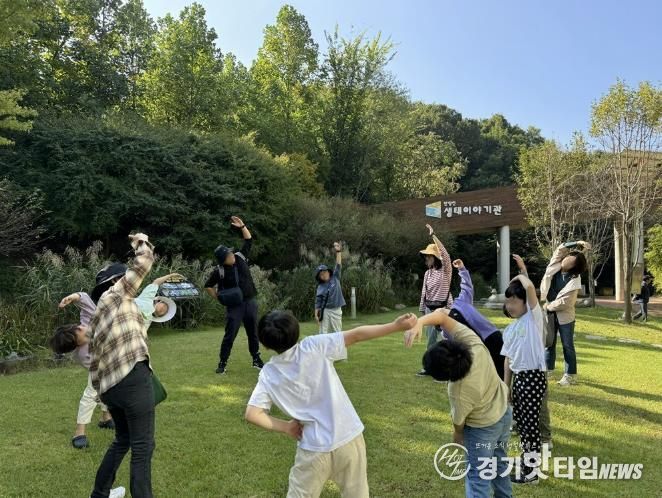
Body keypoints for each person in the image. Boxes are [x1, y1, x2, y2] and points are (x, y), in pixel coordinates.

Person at [245, 310, 418, 498]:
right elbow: (357, 335)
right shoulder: (313, 346)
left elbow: (253, 414)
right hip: (349, 437)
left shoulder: (269, 374)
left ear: (264, 344)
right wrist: (395, 326)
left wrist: (287, 427)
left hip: (313, 449)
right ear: (296, 330)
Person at [406, 309, 512, 498]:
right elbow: (442, 317)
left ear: (443, 376)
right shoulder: (473, 344)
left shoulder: (458, 390)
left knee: (478, 476)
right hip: (504, 412)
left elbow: (459, 421)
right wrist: (419, 322)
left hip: (482, 428)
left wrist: (457, 434)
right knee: (499, 463)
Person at [88, 233, 157, 498]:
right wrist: (140, 241)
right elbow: (143, 262)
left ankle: (100, 494)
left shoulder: (98, 317)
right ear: (115, 281)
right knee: (142, 446)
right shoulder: (115, 295)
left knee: (123, 440)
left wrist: (103, 395)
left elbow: (93, 363)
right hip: (132, 379)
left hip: (110, 389)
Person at [502, 273, 547, 485]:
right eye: (507, 301)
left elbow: (529, 288)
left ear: (525, 303)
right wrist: (506, 386)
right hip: (519, 378)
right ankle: (526, 462)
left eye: (514, 301)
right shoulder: (509, 329)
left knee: (530, 426)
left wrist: (520, 275)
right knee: (522, 425)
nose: (510, 306)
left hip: (533, 377)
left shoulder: (533, 319)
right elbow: (507, 359)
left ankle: (532, 473)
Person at [204, 216, 263, 375]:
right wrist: (218, 297)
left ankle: (256, 359)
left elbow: (248, 240)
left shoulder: (240, 257)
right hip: (234, 307)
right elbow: (208, 286)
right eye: (228, 255)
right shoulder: (219, 271)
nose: (232, 255)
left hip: (250, 302)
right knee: (230, 335)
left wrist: (242, 226)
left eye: (231, 252)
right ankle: (222, 363)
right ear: (223, 260)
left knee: (253, 333)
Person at [439, 258, 506, 379]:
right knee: (487, 378)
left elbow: (467, 286)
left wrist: (461, 269)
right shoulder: (446, 332)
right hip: (477, 349)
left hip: (492, 337)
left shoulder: (460, 302)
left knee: (501, 372)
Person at [512, 254, 553, 448]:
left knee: (540, 404)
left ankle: (545, 438)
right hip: (522, 367)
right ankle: (522, 428)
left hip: (535, 369)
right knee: (521, 402)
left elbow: (528, 288)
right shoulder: (522, 318)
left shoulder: (535, 315)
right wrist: (522, 270)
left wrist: (521, 275)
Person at [540, 241, 590, 387]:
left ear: (574, 266)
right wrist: (577, 243)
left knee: (567, 345)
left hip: (565, 316)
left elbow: (567, 302)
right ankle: (547, 370)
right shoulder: (554, 266)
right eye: (567, 257)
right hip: (549, 314)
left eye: (571, 261)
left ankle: (570, 375)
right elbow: (560, 249)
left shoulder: (574, 279)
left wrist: (548, 306)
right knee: (549, 343)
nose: (566, 260)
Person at [417, 224, 453, 377]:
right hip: (429, 310)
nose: (426, 258)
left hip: (444, 310)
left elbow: (445, 255)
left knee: (446, 339)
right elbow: (424, 293)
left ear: (435, 257)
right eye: (425, 256)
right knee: (431, 341)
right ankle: (429, 368)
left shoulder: (445, 270)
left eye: (429, 256)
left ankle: (450, 367)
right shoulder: (427, 273)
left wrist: (433, 235)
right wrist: (422, 309)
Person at [314, 242, 346, 334]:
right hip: (325, 310)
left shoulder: (335, 277)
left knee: (337, 332)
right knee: (323, 333)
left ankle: (336, 344)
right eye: (321, 274)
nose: (323, 275)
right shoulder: (320, 287)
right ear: (319, 277)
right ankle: (323, 344)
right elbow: (318, 301)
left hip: (336, 310)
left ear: (328, 272)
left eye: (324, 272)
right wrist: (316, 313)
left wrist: (338, 251)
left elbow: (338, 264)